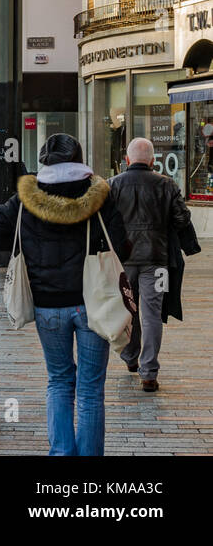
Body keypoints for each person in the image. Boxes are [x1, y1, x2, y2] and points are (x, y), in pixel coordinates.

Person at [0, 133, 127, 456]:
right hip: (94, 304)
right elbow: (122, 243)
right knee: (90, 389)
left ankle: (60, 452)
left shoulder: (27, 198)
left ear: (44, 160)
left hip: (47, 307)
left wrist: (26, 246)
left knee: (59, 381)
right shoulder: (99, 195)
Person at [109, 137, 201, 393]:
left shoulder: (112, 185)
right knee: (152, 315)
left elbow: (103, 223)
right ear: (152, 161)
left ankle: (130, 357)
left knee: (128, 309)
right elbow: (182, 218)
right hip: (158, 261)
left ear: (127, 160)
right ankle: (149, 372)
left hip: (123, 262)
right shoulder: (167, 185)